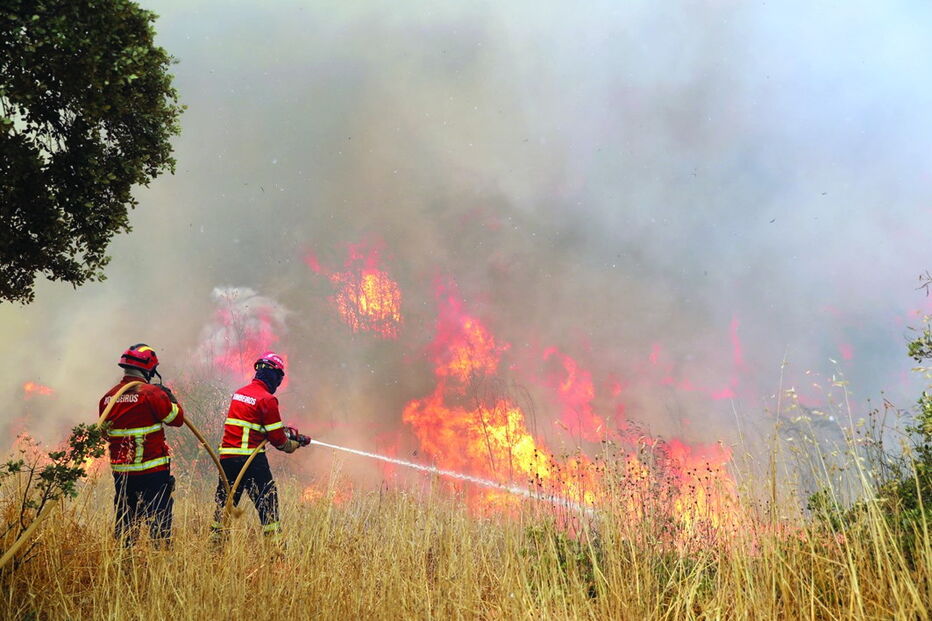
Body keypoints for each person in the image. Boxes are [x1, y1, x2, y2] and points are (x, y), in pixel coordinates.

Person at [210, 352, 307, 543]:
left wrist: (282, 432)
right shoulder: (267, 400)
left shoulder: (239, 394)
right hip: (251, 460)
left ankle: (215, 546)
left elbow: (254, 425)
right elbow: (279, 441)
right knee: (268, 503)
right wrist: (294, 444)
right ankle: (275, 549)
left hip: (227, 459)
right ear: (274, 375)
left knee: (225, 504)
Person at [98, 343, 184, 546]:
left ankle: (124, 565)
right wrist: (170, 397)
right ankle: (160, 564)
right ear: (148, 368)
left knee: (126, 524)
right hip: (152, 472)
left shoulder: (108, 398)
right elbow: (177, 419)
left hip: (123, 474)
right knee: (159, 524)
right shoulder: (152, 394)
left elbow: (105, 433)